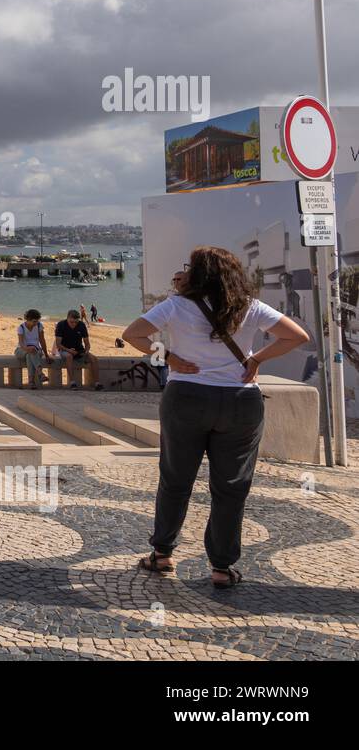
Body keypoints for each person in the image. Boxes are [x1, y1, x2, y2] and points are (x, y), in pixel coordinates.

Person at [123, 246, 309, 589]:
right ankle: (221, 567)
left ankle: (162, 553)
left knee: (176, 479)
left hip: (187, 399)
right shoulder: (249, 306)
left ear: (196, 274)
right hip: (240, 401)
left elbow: (132, 334)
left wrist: (169, 357)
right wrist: (256, 360)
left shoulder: (176, 305)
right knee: (231, 486)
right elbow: (297, 336)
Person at [54, 308, 102, 390]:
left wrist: (86, 351)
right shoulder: (61, 325)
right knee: (69, 356)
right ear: (67, 318)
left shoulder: (81, 325)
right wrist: (69, 350)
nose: (74, 324)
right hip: (65, 349)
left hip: (79, 350)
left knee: (94, 359)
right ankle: (72, 382)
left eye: (76, 322)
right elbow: (58, 344)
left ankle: (97, 383)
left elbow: (87, 343)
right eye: (71, 322)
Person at [14, 308, 50, 389]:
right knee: (31, 352)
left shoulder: (39, 326)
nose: (36, 323)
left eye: (37, 321)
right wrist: (27, 349)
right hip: (21, 350)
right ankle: (40, 373)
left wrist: (47, 355)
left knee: (30, 355)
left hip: (35, 350)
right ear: (28, 320)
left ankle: (31, 382)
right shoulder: (21, 327)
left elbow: (42, 340)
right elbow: (21, 343)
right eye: (34, 321)